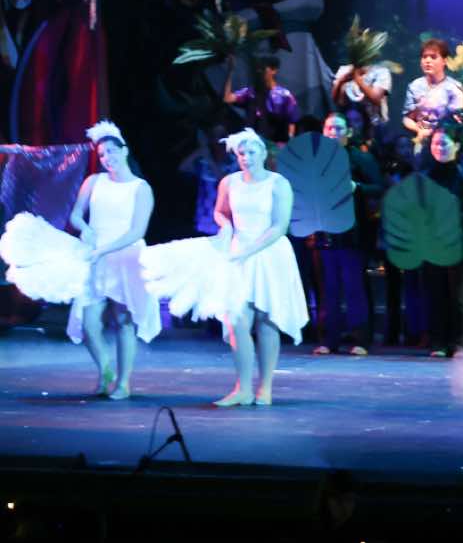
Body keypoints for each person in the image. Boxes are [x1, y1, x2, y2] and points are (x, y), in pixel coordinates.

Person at [144, 128, 309, 406]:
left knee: (267, 321)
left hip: (269, 254)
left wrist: (248, 251)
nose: (246, 158)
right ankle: (242, 387)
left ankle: (265, 388)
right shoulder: (229, 182)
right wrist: (227, 228)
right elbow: (220, 212)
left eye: (251, 152)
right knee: (235, 320)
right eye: (242, 153)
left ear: (263, 153)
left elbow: (279, 226)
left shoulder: (278, 184)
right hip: (238, 253)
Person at [0, 121, 160, 398]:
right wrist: (86, 229)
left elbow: (137, 231)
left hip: (126, 257)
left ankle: (123, 383)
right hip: (94, 257)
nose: (107, 158)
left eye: (112, 151)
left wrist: (105, 249)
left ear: (124, 150)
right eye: (102, 154)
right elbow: (75, 215)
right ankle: (106, 371)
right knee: (89, 324)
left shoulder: (140, 188)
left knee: (124, 321)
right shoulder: (94, 182)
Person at [309, 114, 380, 356]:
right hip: (324, 233)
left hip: (353, 233)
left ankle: (360, 339)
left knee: (353, 288)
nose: (333, 133)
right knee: (328, 288)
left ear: (348, 132)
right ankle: (329, 339)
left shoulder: (360, 158)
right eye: (329, 128)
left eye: (338, 128)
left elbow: (379, 187)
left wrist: (356, 187)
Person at [419, 126, 463, 357]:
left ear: (456, 146)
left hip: (459, 243)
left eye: (444, 143)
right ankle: (439, 342)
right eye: (435, 143)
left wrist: (458, 221)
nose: (439, 147)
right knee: (436, 294)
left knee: (459, 296)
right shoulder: (425, 177)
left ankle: (462, 343)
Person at [403, 39, 463, 153]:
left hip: (446, 144)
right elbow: (407, 118)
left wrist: (434, 131)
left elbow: (458, 120)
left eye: (433, 57)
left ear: (444, 61)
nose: (427, 61)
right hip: (421, 142)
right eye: (424, 57)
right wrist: (419, 130)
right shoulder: (415, 86)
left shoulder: (454, 87)